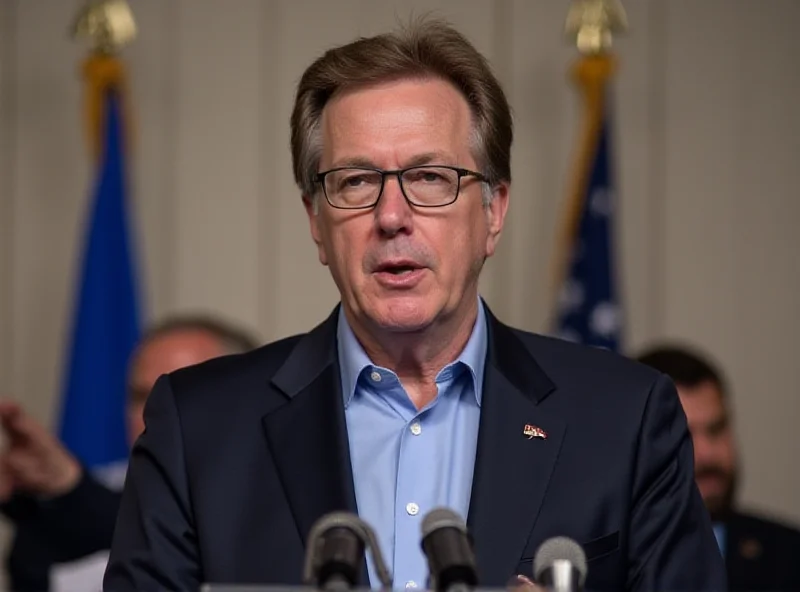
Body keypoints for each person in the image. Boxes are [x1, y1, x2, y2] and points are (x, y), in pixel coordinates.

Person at [104, 18, 726, 592]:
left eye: (431, 177)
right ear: (316, 222)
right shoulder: (200, 427)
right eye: (355, 181)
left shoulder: (625, 420)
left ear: (494, 211)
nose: (392, 216)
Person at [0, 315, 257, 592]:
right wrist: (44, 499)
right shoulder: (57, 516)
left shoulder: (277, 498)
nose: (153, 413)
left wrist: (71, 490)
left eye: (180, 397)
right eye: (139, 396)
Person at [636, 344, 800, 592]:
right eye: (684, 437)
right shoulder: (591, 566)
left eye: (716, 429)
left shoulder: (790, 557)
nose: (708, 454)